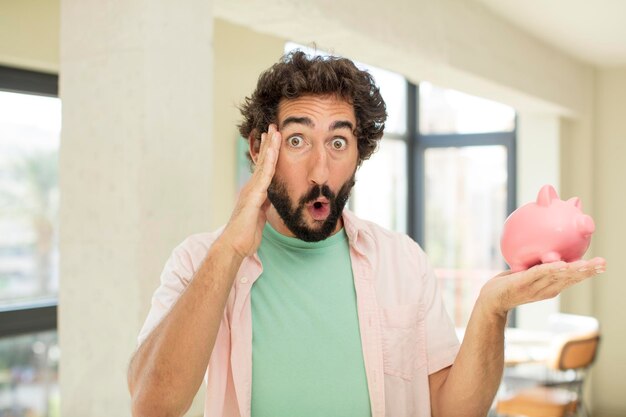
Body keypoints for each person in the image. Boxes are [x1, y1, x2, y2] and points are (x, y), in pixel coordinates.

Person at [127, 51, 606, 417]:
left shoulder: (402, 261)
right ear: (259, 147)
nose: (321, 168)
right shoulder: (199, 261)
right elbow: (153, 402)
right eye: (297, 140)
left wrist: (492, 309)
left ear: (360, 152)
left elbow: (451, 408)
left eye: (338, 141)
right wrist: (231, 247)